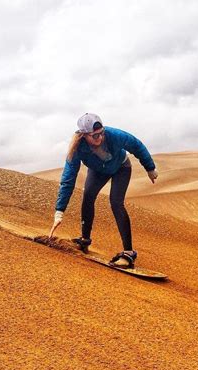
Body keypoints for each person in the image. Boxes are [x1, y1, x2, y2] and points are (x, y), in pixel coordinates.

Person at [50, 113, 158, 268]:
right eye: (94, 136)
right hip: (98, 171)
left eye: (101, 133)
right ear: (84, 135)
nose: (99, 137)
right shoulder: (76, 149)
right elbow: (68, 178)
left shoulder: (113, 135)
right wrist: (59, 211)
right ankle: (84, 240)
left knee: (116, 202)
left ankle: (128, 253)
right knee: (88, 196)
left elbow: (136, 145)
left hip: (121, 167)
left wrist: (150, 167)